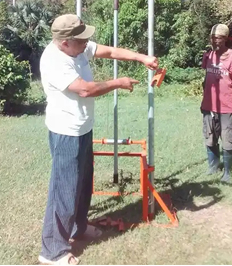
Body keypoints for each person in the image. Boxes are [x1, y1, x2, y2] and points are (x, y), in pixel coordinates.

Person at [38, 14, 158, 265]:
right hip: (65, 131)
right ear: (64, 43)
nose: (87, 43)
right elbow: (85, 89)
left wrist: (141, 57)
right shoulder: (54, 60)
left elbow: (110, 52)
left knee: (82, 184)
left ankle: (78, 228)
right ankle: (52, 251)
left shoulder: (77, 48)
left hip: (82, 127)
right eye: (81, 40)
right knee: (64, 189)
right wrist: (119, 82)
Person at [201, 24, 232, 183]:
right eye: (212, 38)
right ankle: (213, 166)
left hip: (226, 105)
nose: (213, 41)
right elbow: (206, 76)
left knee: (228, 138)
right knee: (210, 136)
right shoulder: (208, 55)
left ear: (225, 39)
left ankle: (227, 172)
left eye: (217, 38)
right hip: (208, 105)